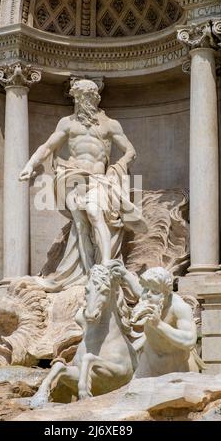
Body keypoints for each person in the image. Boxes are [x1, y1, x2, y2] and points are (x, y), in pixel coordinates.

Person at [19, 79, 146, 290]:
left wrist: (118, 168)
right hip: (72, 176)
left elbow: (130, 151)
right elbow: (48, 146)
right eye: (79, 97)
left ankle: (105, 265)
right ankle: (84, 273)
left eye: (87, 97)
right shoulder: (67, 123)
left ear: (95, 98)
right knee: (80, 223)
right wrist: (30, 165)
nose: (82, 101)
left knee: (96, 214)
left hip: (98, 178)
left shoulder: (110, 125)